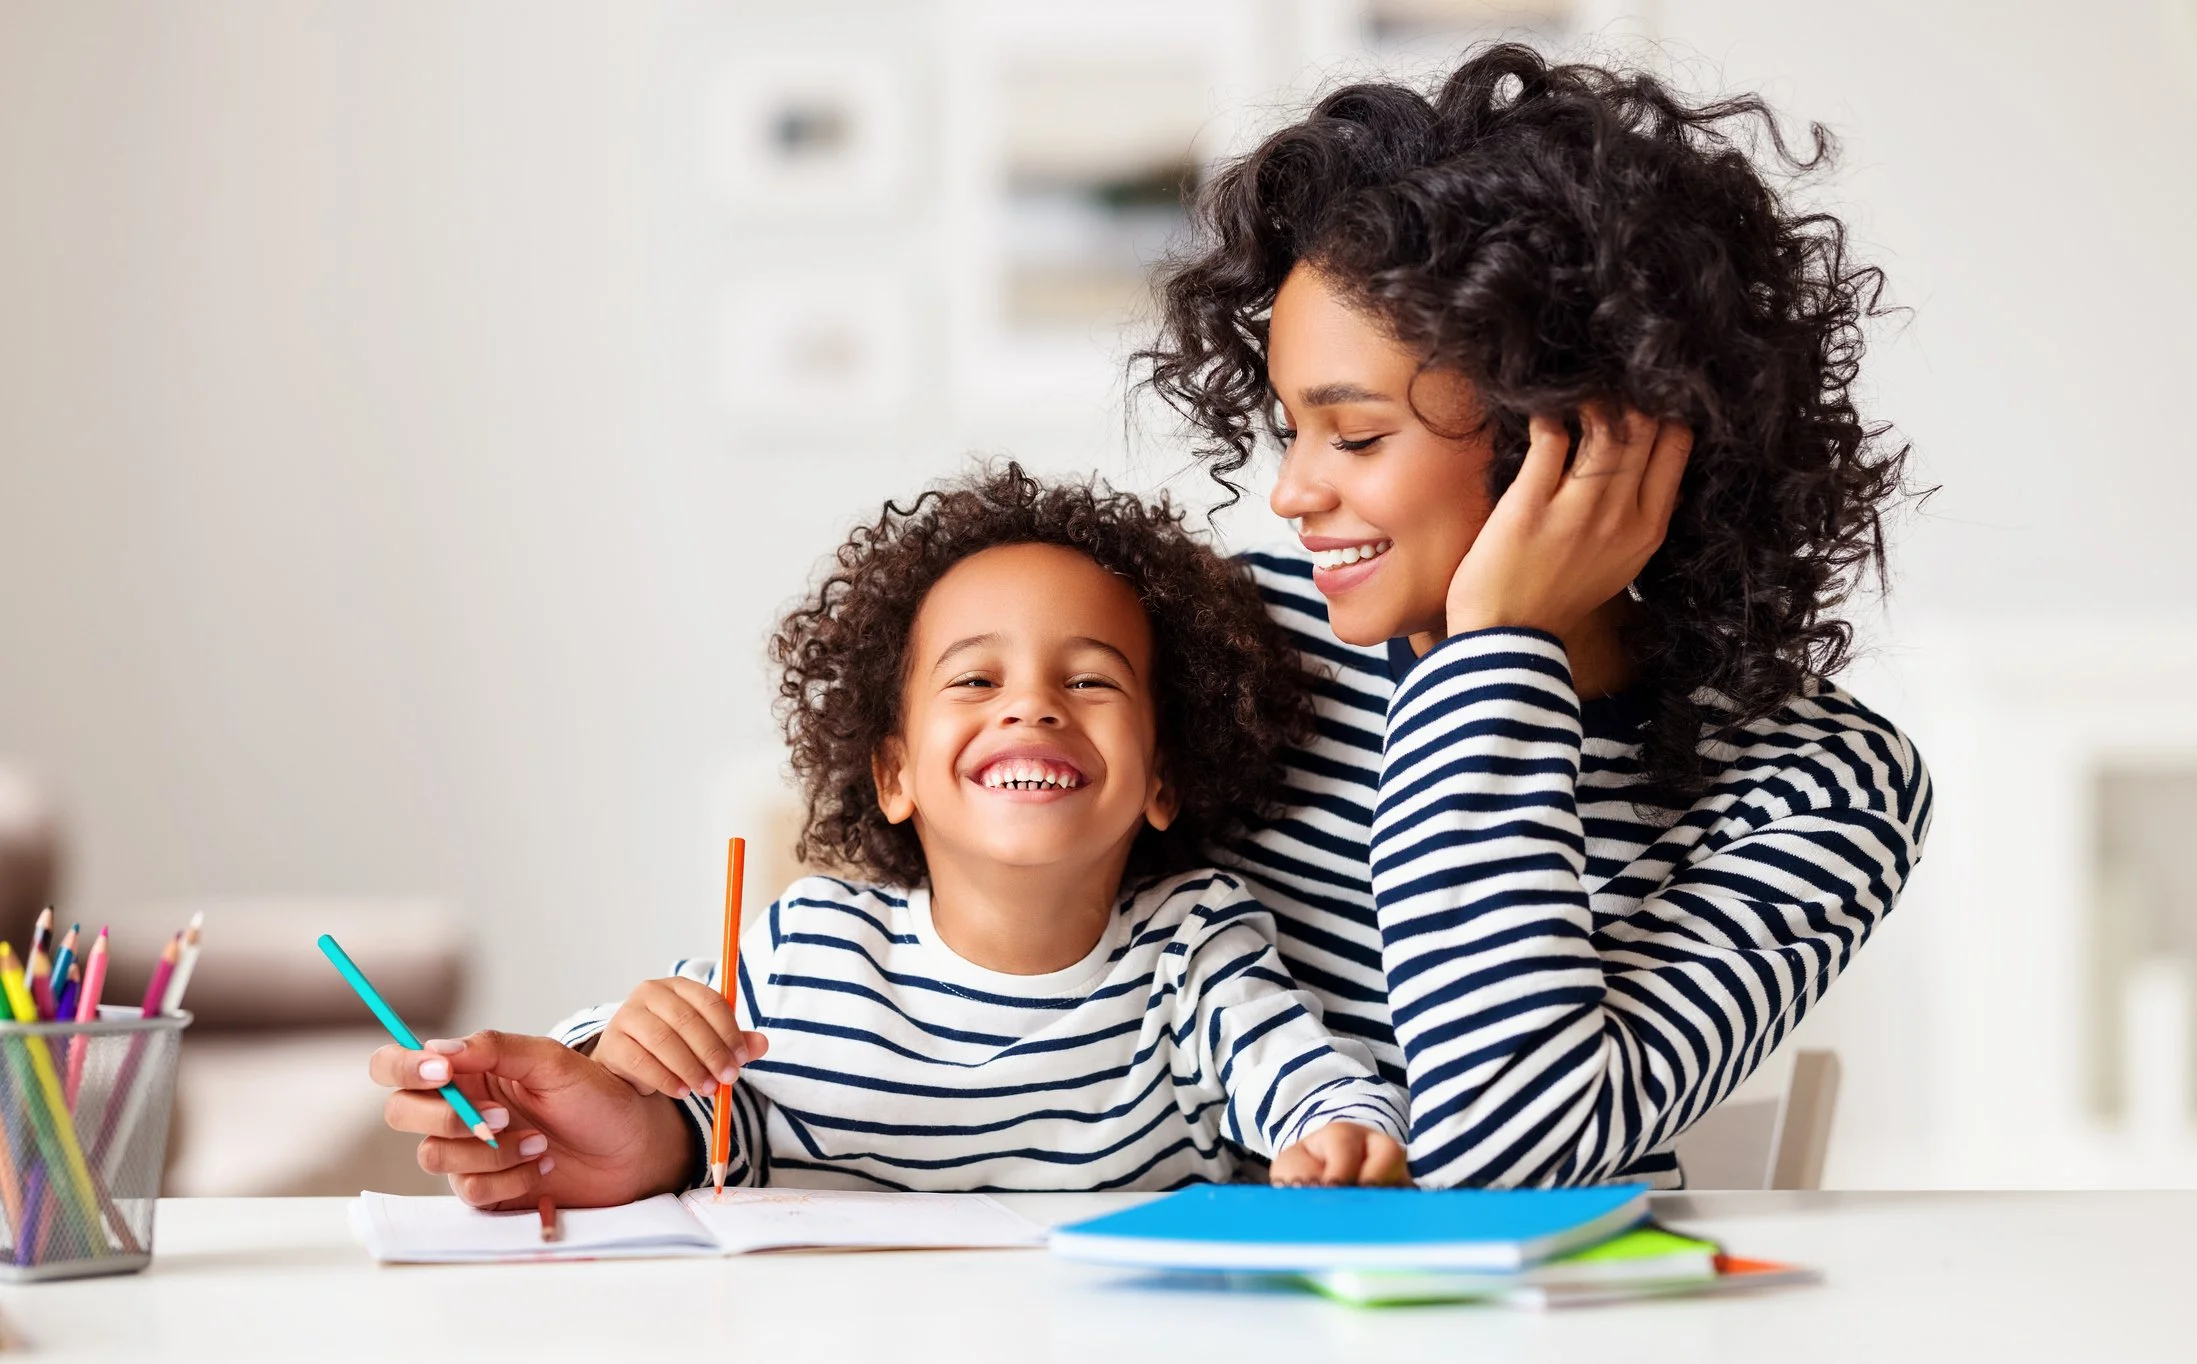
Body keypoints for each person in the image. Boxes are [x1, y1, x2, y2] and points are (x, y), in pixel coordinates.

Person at [1135, 43, 1932, 1187]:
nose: (1291, 492)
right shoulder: (1216, 649)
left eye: (1355, 436)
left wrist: (1494, 652)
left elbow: (1514, 1152)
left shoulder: (1816, 785)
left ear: (1569, 428)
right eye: (1289, 426)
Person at [373, 468, 1406, 1207]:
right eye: (973, 679)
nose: (1032, 706)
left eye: (1089, 678)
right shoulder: (813, 944)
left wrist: (1343, 1138)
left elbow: (1312, 1083)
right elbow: (655, 1097)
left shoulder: (1196, 946)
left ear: (1166, 776)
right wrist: (610, 1051)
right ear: (893, 772)